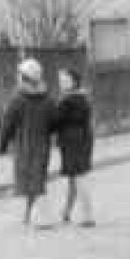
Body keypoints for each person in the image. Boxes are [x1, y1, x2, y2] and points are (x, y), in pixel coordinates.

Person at [0, 57, 58, 228]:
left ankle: (43, 218)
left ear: (24, 77)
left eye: (19, 74)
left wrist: (2, 145)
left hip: (24, 145)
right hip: (42, 145)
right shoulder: (47, 99)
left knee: (31, 181)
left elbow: (8, 124)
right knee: (37, 178)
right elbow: (54, 123)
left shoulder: (18, 100)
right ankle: (29, 215)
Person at [55, 66, 95, 226]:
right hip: (81, 139)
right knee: (74, 178)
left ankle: (88, 216)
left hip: (73, 141)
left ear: (74, 82)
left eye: (65, 80)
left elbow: (56, 120)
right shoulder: (81, 97)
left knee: (79, 177)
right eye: (60, 80)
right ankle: (66, 211)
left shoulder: (70, 100)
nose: (61, 83)